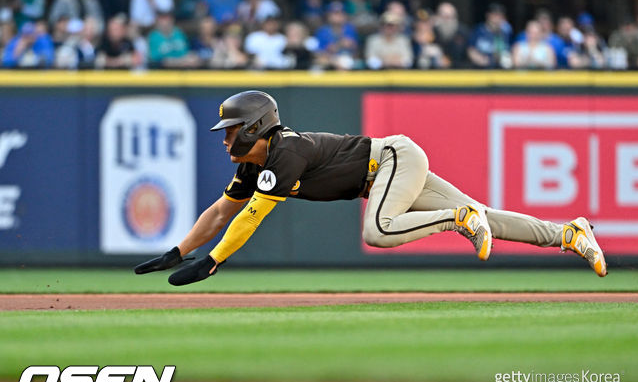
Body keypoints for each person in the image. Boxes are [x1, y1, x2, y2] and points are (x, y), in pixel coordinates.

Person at [134, 91, 608, 286]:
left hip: (391, 160)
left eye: (233, 130)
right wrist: (179, 251)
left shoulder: (285, 153)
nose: (227, 139)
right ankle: (569, 234)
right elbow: (221, 212)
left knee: (379, 231)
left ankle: (457, 220)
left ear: (257, 127)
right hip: (389, 168)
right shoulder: (252, 167)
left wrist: (214, 262)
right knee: (489, 216)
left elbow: (249, 219)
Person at [467, 3, 512, 69]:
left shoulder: (505, 33)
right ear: (488, 16)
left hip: (499, 71)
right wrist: (479, 59)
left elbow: (508, 51)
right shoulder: (479, 30)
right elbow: (470, 50)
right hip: (480, 71)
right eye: (495, 15)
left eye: (500, 16)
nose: (497, 19)